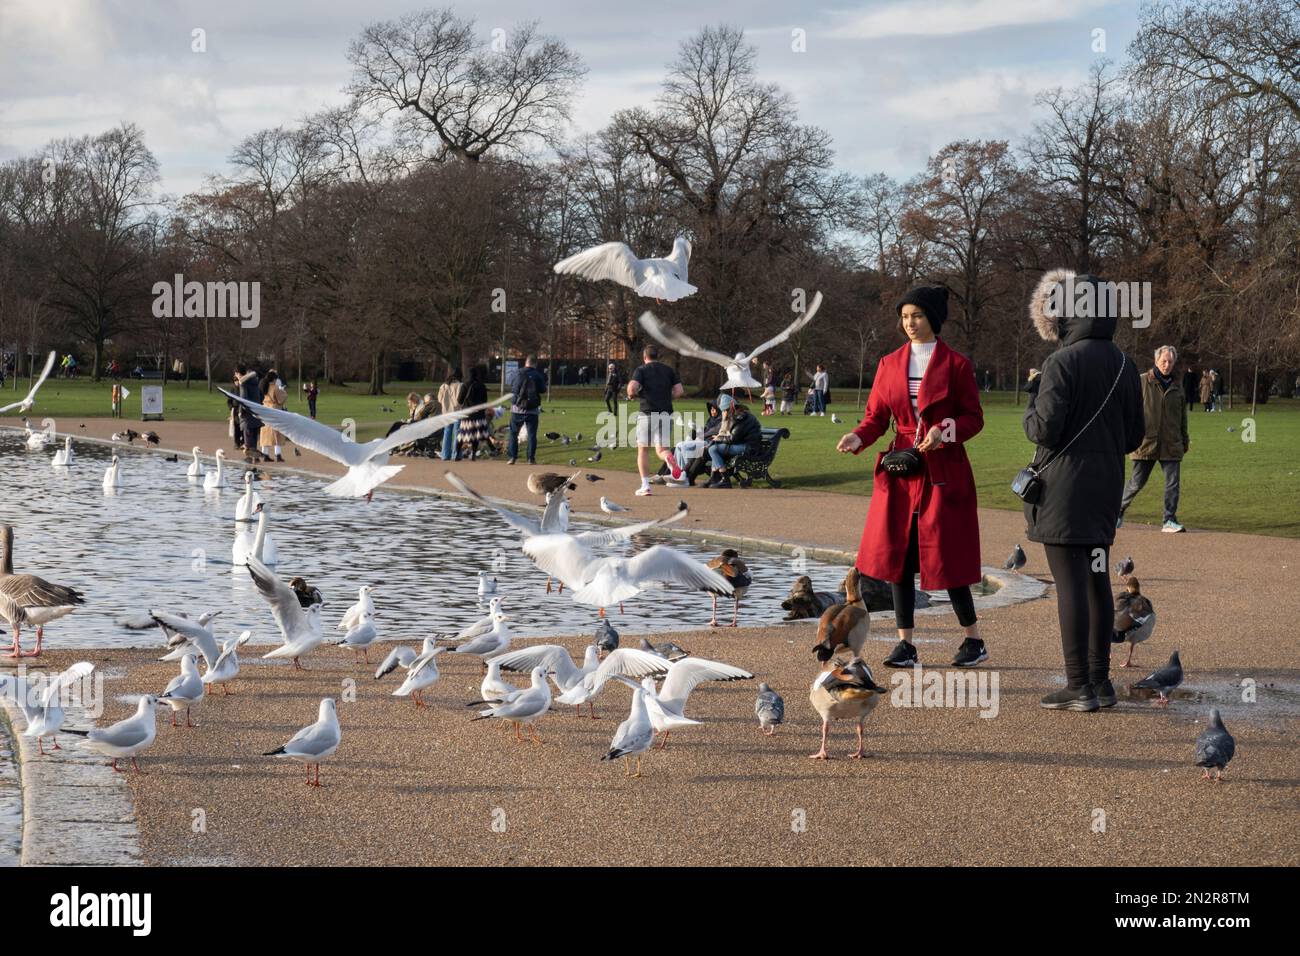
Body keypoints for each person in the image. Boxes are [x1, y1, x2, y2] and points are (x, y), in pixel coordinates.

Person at [837, 285, 989, 669]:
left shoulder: (956, 365)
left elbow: (975, 418)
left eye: (917, 316)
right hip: (902, 469)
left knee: (948, 553)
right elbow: (876, 418)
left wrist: (945, 430)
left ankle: (973, 639)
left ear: (933, 319)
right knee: (898, 557)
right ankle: (906, 644)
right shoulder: (889, 363)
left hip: (944, 470)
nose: (909, 323)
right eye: (905, 317)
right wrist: (858, 436)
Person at [1022, 269, 1145, 712]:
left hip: (1064, 492)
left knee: (1070, 584)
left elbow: (1044, 430)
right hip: (1105, 487)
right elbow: (1134, 437)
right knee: (1096, 581)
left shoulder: (1061, 362)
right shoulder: (1126, 364)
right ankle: (1101, 681)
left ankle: (1078, 685)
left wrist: (1032, 396)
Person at [1119, 345, 1189, 533]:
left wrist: (1184, 438)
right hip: (1145, 442)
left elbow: (1182, 416)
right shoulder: (1141, 381)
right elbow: (1129, 409)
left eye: (1170, 362)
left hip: (1171, 443)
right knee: (1136, 483)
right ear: (1156, 361)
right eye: (1163, 361)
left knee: (1172, 484)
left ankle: (1169, 519)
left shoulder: (1177, 386)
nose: (1166, 365)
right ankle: (1118, 511)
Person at [628, 344, 684, 496]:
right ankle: (670, 459)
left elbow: (632, 388)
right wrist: (666, 397)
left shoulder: (641, 370)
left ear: (645, 357)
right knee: (662, 449)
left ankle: (645, 486)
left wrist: (631, 395)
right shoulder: (669, 370)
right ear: (657, 357)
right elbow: (679, 391)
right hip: (666, 414)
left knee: (643, 449)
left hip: (647, 413)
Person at [703, 394, 762, 488]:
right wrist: (724, 421)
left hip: (749, 447)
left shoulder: (742, 418)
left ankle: (725, 480)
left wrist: (718, 439)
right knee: (713, 448)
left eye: (725, 410)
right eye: (723, 410)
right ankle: (714, 477)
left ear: (731, 408)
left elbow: (733, 438)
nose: (724, 412)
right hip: (741, 444)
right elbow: (726, 434)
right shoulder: (736, 416)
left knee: (713, 449)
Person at [506, 354, 548, 465]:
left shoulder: (517, 373)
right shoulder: (537, 375)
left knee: (514, 433)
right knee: (532, 434)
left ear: (526, 362)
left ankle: (512, 457)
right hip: (532, 409)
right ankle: (530, 458)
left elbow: (512, 387)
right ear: (535, 364)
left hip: (517, 408)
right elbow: (543, 390)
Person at [457, 365, 490, 460]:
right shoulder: (482, 386)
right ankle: (474, 455)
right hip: (479, 414)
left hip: (467, 414)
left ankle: (457, 454)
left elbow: (459, 400)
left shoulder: (465, 385)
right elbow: (485, 401)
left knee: (462, 435)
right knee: (476, 435)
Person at [234, 364, 265, 461]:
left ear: (238, 373)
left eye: (236, 374)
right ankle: (256, 458)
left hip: (247, 415)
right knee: (254, 437)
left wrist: (240, 412)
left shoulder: (244, 384)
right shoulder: (255, 382)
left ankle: (250, 457)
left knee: (248, 439)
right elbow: (261, 396)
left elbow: (244, 400)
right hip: (256, 412)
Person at [258, 369, 288, 462]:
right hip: (274, 410)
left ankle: (265, 454)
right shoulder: (274, 387)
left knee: (265, 433)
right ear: (274, 379)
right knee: (277, 433)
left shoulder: (263, 386)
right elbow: (281, 399)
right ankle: (278, 454)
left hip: (265, 409)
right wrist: (283, 391)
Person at [437, 370, 461, 461]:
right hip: (457, 412)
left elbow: (439, 400)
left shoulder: (443, 386)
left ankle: (445, 455)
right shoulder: (460, 385)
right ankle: (456, 454)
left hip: (446, 412)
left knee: (447, 433)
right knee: (457, 433)